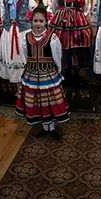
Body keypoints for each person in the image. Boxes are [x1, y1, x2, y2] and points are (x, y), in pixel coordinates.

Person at [17, 7, 69, 138]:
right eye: (35, 21)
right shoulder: (26, 37)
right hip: (32, 75)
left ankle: (51, 127)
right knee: (37, 101)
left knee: (50, 101)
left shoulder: (53, 37)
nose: (38, 24)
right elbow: (24, 55)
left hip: (48, 75)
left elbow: (58, 57)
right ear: (31, 21)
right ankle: (45, 127)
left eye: (41, 21)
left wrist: (57, 71)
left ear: (46, 22)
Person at [49, 0, 91, 86]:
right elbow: (54, 5)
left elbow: (86, 7)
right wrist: (59, 15)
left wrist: (80, 16)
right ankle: (66, 72)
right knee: (63, 45)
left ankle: (77, 73)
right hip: (62, 19)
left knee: (76, 45)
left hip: (77, 20)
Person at [0, 0, 37, 90]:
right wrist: (6, 24)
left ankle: (23, 83)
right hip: (9, 32)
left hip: (23, 32)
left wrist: (30, 23)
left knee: (21, 56)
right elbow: (3, 14)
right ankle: (14, 82)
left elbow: (35, 12)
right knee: (10, 56)